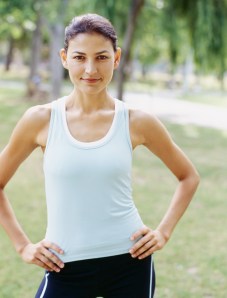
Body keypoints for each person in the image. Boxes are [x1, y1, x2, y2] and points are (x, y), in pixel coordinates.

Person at [0, 13, 200, 298]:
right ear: (64, 57)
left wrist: (163, 232)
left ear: (116, 58)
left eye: (102, 57)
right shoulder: (41, 119)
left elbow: (188, 176)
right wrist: (23, 246)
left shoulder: (136, 120)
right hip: (63, 265)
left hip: (130, 262)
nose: (90, 69)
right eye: (80, 57)